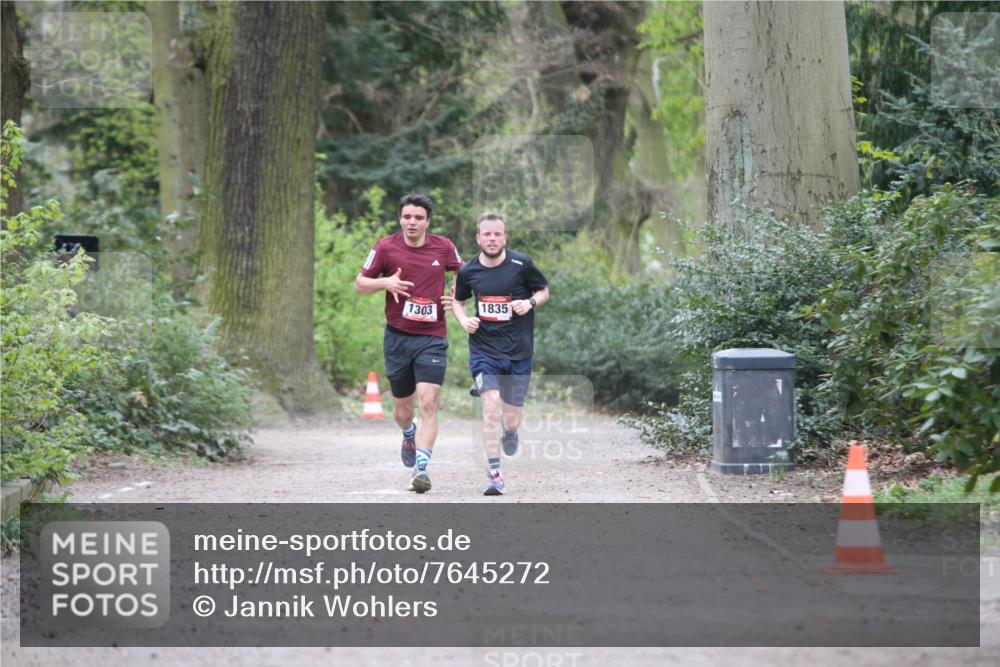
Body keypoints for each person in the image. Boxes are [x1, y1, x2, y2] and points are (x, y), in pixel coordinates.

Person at [355, 193, 462, 493]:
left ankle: (422, 468)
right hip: (398, 338)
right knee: (403, 410)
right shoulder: (385, 247)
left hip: (432, 337)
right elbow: (360, 284)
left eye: (418, 218)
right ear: (400, 218)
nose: (412, 222)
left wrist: (457, 294)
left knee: (428, 403)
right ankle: (408, 433)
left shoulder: (444, 246)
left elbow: (465, 272)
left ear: (428, 221)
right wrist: (385, 283)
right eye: (407, 217)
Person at [451, 212, 549, 495]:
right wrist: (463, 320)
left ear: (504, 237)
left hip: (519, 351)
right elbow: (458, 302)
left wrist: (530, 302)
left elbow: (544, 290)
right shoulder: (468, 271)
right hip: (484, 350)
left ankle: (512, 431)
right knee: (491, 406)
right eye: (487, 234)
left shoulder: (521, 264)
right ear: (478, 238)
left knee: (511, 416)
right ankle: (495, 474)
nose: (492, 239)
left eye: (497, 234)